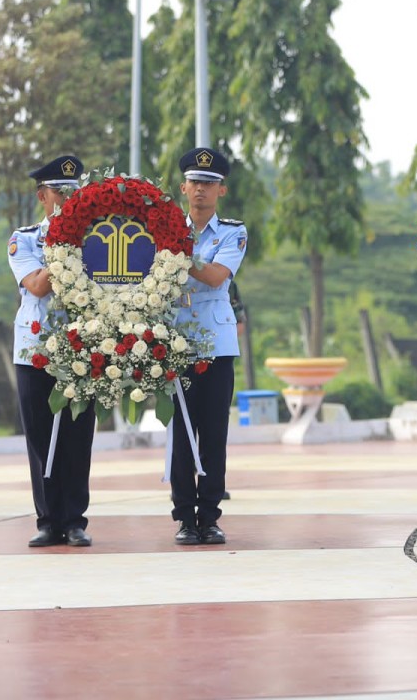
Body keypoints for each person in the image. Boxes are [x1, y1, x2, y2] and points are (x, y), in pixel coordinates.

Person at [9, 154, 96, 547]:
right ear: (42, 195)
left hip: (84, 344)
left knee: (78, 436)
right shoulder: (24, 238)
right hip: (34, 348)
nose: (65, 200)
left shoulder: (96, 236)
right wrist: (63, 240)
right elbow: (38, 285)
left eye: (72, 193)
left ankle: (75, 520)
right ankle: (47, 520)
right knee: (40, 436)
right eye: (58, 193)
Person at [170, 147, 247, 546]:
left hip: (216, 343)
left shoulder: (233, 232)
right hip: (176, 341)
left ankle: (210, 515)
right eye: (195, 182)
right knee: (182, 432)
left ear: (222, 191)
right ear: (183, 187)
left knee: (214, 433)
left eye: (209, 184)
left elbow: (217, 277)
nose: (201, 190)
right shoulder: (163, 228)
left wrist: (177, 255)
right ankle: (184, 516)